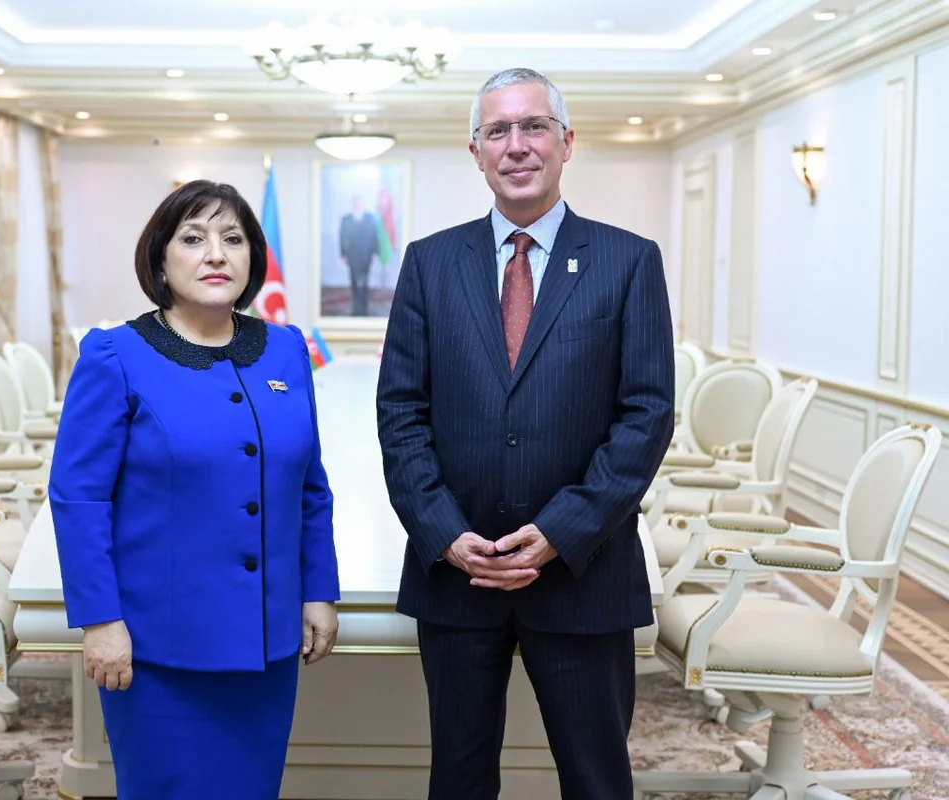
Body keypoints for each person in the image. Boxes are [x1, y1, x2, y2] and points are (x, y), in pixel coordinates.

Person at [376, 67, 674, 799]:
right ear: (475, 152)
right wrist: (444, 533)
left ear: (566, 142)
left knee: (597, 780)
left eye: (534, 126)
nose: (517, 145)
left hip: (582, 575)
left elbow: (646, 415)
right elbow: (401, 412)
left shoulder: (628, 260)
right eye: (497, 130)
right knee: (459, 779)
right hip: (459, 576)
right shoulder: (428, 263)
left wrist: (561, 531)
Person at [48, 179, 341, 799]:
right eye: (193, 238)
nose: (215, 254)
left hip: (267, 644)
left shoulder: (286, 351)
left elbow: (310, 488)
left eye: (232, 239)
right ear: (161, 257)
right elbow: (79, 500)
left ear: (252, 258)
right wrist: (100, 620)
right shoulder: (115, 355)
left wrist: (318, 591)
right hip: (156, 647)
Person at [339, 194, 380, 316]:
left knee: (365, 281)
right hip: (352, 256)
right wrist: (343, 255)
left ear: (362, 205)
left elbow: (374, 237)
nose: (358, 205)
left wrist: (375, 253)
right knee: (354, 281)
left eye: (360, 203)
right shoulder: (346, 219)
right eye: (356, 203)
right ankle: (356, 307)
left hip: (366, 255)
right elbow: (341, 238)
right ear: (353, 205)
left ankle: (364, 307)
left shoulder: (370, 218)